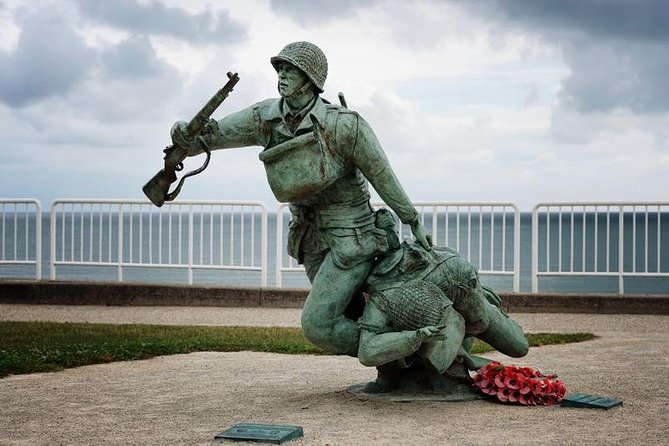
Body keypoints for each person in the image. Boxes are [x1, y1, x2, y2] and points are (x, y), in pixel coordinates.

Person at [168, 41, 431, 355]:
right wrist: (182, 133)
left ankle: (413, 353)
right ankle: (396, 362)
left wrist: (412, 221)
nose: (281, 75)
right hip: (309, 240)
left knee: (318, 325)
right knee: (351, 313)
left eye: (290, 69)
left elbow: (382, 175)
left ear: (310, 79)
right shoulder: (264, 116)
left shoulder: (344, 124)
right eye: (280, 68)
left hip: (353, 238)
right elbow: (209, 137)